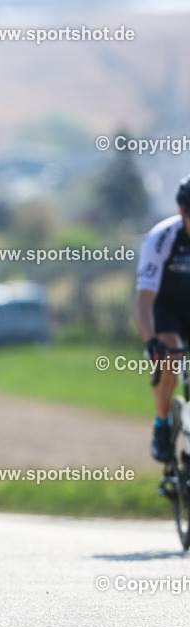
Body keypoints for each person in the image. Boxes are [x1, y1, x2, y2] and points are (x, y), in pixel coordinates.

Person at [134, 175, 190, 496]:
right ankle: (161, 424)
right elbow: (143, 299)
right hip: (166, 308)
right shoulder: (162, 238)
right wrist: (149, 339)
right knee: (168, 356)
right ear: (183, 212)